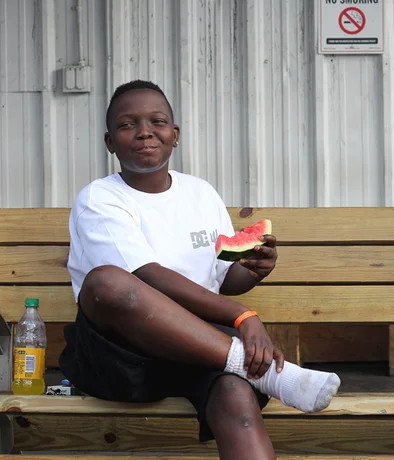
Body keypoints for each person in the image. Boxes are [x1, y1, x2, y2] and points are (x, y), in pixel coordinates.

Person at [59, 80, 341, 460]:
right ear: (110, 141)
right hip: (120, 357)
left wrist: (253, 270)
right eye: (128, 125)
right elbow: (146, 276)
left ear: (174, 135)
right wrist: (243, 317)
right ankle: (269, 372)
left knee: (236, 399)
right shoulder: (100, 198)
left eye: (157, 121)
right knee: (107, 281)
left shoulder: (201, 193)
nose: (144, 131)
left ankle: (245, 370)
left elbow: (223, 280)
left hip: (200, 345)